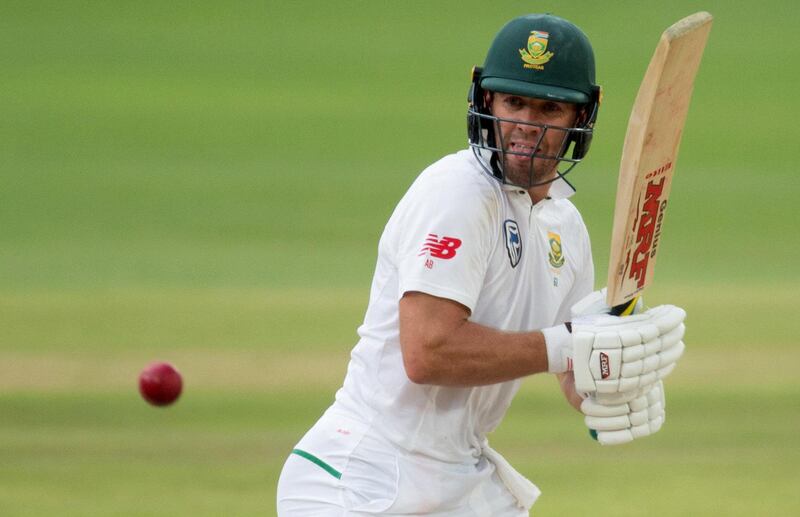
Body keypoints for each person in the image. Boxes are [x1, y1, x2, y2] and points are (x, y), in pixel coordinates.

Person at [277, 13, 686, 516]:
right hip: (364, 476)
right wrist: (573, 342)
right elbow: (428, 352)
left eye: (550, 108)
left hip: (458, 479)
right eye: (513, 101)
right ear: (485, 99)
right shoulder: (458, 192)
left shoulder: (565, 227)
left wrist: (621, 377)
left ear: (582, 116)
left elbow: (572, 372)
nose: (525, 126)